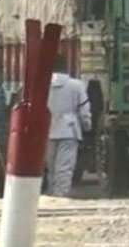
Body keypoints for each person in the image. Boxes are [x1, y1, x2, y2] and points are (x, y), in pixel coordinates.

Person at [45, 55, 90, 197]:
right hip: (69, 129)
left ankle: (52, 193)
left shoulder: (42, 85)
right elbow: (84, 110)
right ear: (66, 66)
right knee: (65, 166)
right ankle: (61, 194)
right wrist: (87, 126)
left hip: (47, 130)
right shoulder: (76, 85)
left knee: (51, 167)